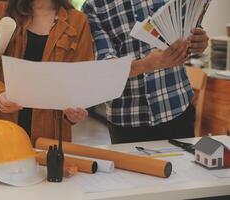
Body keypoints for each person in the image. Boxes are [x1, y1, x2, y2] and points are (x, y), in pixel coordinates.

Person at [82, 0, 209, 144]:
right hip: (127, 120)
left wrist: (199, 41)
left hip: (177, 108)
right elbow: (106, 69)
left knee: (183, 167)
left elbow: (188, 30)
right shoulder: (93, 6)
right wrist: (147, 64)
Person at [0, 0, 94, 143]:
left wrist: (73, 113)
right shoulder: (0, 12)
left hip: (50, 137)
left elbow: (80, 82)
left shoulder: (77, 21)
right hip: (0, 129)